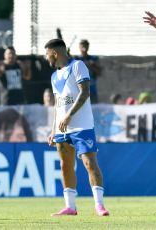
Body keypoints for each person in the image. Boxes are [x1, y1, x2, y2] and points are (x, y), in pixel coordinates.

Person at [45, 38, 109, 216]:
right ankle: (70, 207)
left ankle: (99, 205)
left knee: (89, 163)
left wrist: (69, 115)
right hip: (62, 129)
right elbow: (57, 104)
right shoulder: (54, 76)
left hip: (81, 126)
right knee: (65, 166)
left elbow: (85, 92)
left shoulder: (78, 66)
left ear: (55, 53)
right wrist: (53, 129)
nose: (46, 58)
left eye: (47, 54)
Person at [74, 40, 101, 104]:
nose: (84, 49)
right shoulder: (76, 59)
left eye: (86, 47)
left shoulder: (94, 59)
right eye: (83, 47)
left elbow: (99, 73)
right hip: (79, 91)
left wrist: (90, 66)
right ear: (79, 47)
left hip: (92, 91)